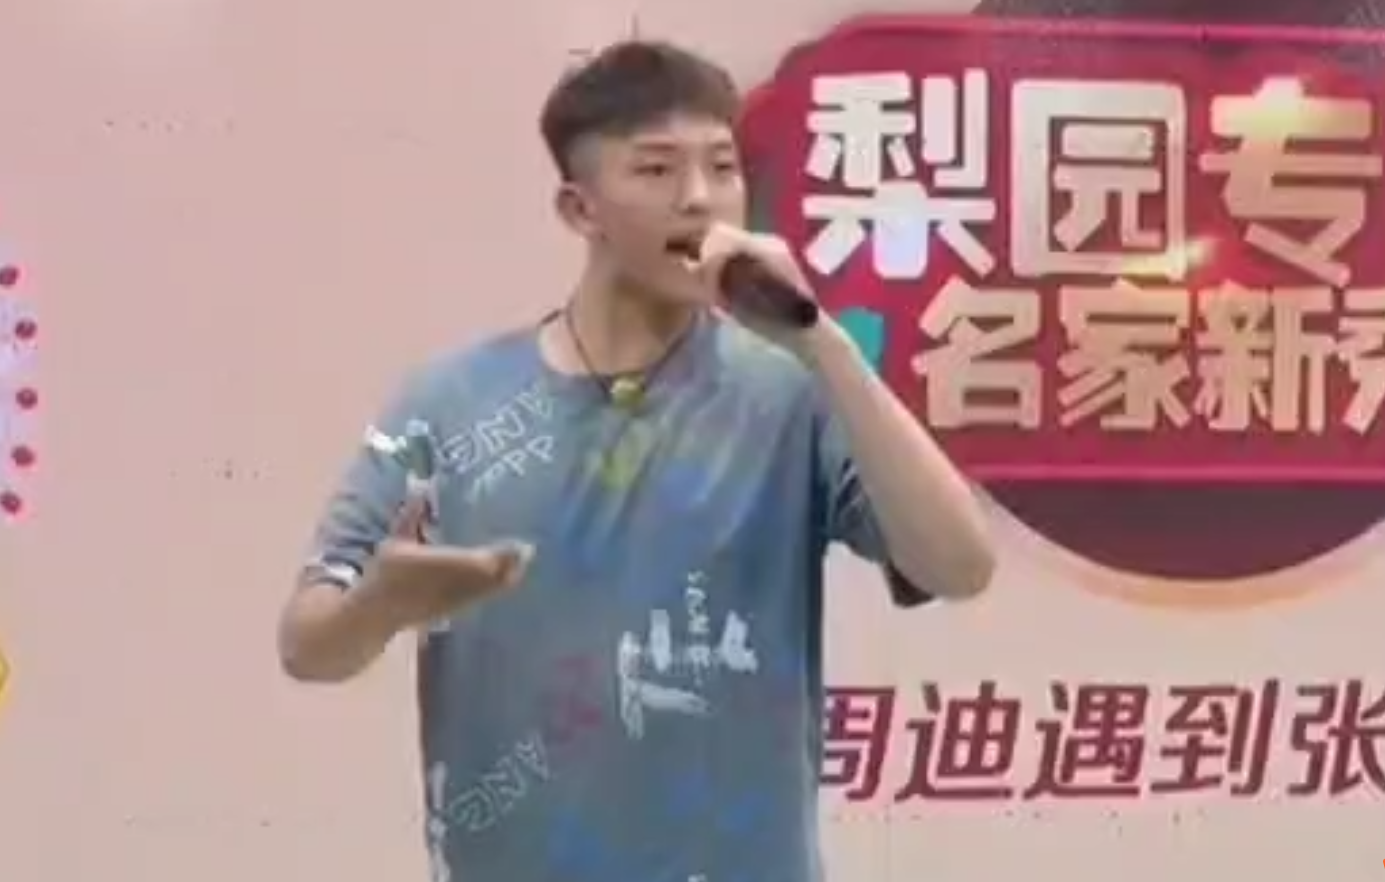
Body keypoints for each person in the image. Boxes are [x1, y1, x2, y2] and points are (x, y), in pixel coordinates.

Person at [279, 39, 995, 882]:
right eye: (656, 170)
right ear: (579, 209)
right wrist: (380, 603)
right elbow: (308, 647)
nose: (699, 198)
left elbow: (959, 567)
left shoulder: (789, 391)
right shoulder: (449, 402)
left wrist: (822, 342)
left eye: (722, 167)